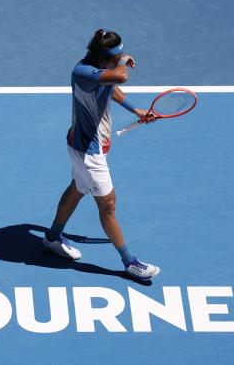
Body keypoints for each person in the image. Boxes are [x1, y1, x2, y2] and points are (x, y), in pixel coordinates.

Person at [43, 28, 160, 280]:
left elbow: (112, 87)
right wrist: (121, 61)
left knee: (77, 188)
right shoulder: (82, 72)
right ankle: (130, 262)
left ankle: (52, 238)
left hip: (83, 145)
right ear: (104, 58)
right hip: (88, 150)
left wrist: (135, 109)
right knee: (108, 206)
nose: (119, 62)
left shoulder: (96, 72)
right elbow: (120, 77)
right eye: (115, 58)